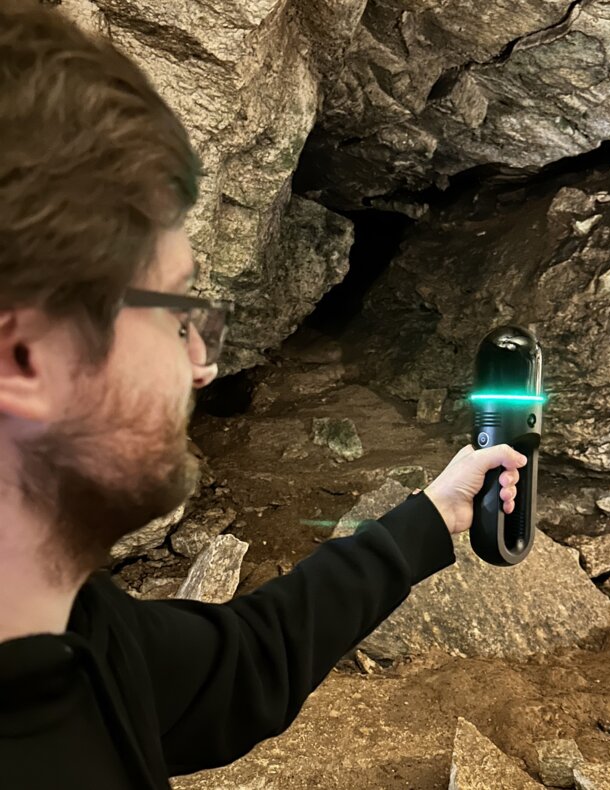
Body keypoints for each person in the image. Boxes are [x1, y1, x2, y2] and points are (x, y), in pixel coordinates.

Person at [0, 3, 527, 788]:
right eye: (177, 313)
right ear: (25, 357)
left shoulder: (74, 629)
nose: (203, 366)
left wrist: (433, 515)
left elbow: (242, 664)